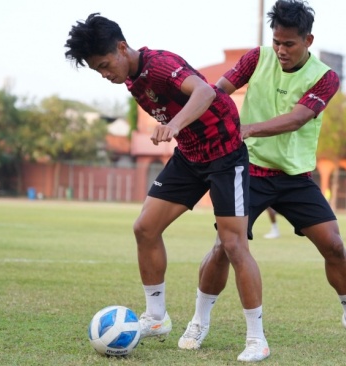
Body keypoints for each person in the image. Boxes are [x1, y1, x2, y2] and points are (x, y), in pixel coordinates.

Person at [180, 0, 346, 354]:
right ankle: (199, 322)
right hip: (249, 171)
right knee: (223, 249)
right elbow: (218, 92)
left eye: (288, 44)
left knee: (334, 246)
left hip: (294, 176)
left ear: (308, 39)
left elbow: (297, 118)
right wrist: (188, 116)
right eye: (276, 41)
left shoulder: (325, 77)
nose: (280, 50)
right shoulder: (256, 57)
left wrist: (246, 128)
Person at [64, 14, 269, 362]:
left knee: (233, 243)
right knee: (145, 227)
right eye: (97, 70)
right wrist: (178, 131)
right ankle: (156, 318)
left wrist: (173, 124)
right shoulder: (130, 79)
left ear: (122, 47)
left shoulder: (159, 65)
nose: (104, 74)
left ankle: (256, 339)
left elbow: (205, 91)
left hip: (224, 154)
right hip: (190, 156)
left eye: (104, 65)